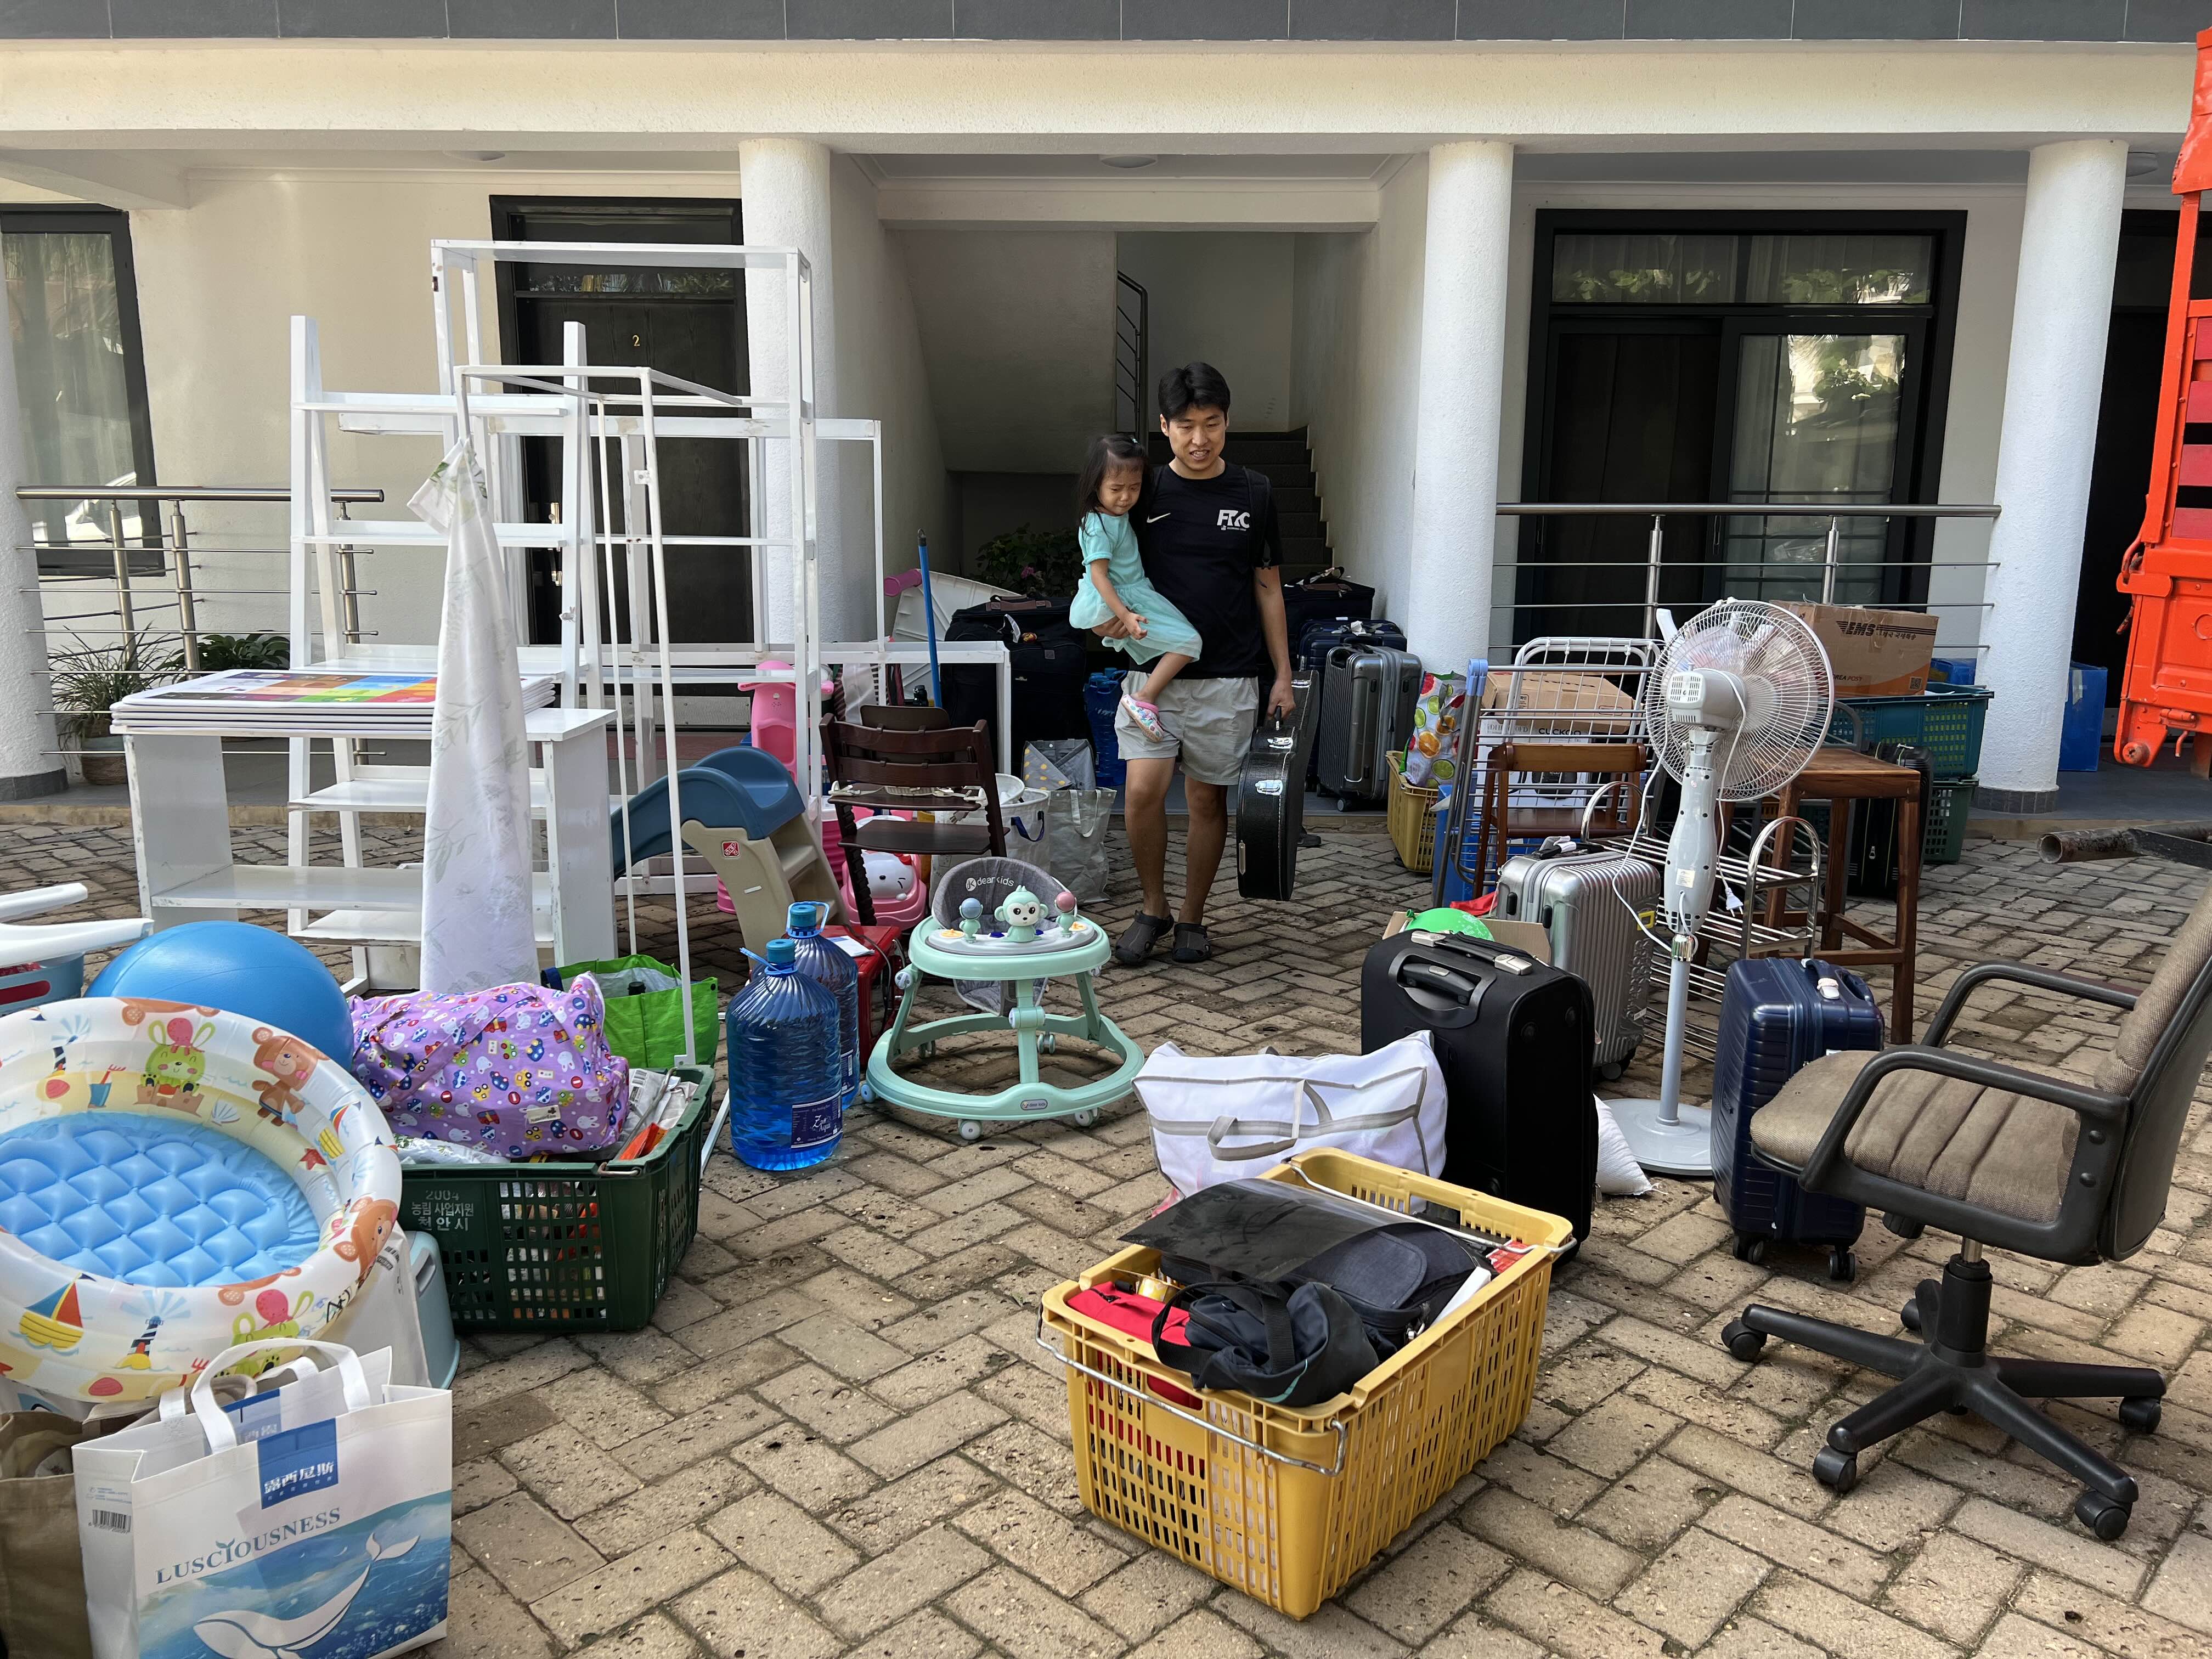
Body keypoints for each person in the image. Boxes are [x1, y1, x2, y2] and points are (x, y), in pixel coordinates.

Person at [1093, 362, 1295, 966]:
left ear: (1228, 422)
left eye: (1212, 424)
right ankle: (1152, 906)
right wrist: (1103, 620)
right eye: (1186, 426)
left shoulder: (1254, 492)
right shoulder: (1144, 491)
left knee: (1207, 802)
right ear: (1164, 426)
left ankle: (1191, 917)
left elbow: (1268, 588)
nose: (1200, 439)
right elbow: (1105, 565)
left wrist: (1282, 675)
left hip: (1228, 677)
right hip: (1153, 674)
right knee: (1141, 793)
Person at [1065, 433, 1205, 740]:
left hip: (1133, 593)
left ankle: (1145, 697)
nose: (1126, 497)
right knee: (1190, 642)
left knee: (1183, 642)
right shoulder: (1097, 525)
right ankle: (1143, 698)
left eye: (1134, 487)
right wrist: (1125, 615)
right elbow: (1099, 576)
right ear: (1096, 485)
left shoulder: (1114, 517)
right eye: (1116, 489)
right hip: (1124, 598)